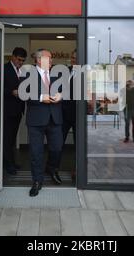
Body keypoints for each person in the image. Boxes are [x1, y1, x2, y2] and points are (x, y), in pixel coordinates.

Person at [25, 49, 63, 197]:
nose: (51, 61)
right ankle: (37, 181)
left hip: (55, 118)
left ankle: (52, 169)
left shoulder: (57, 74)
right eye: (49, 58)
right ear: (39, 60)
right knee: (36, 152)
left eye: (52, 58)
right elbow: (25, 93)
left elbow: (64, 90)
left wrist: (61, 95)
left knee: (57, 148)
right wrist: (42, 97)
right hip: (36, 120)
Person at [50, 49, 77, 182]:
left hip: (79, 115)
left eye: (76, 57)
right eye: (72, 57)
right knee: (57, 144)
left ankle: (78, 171)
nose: (73, 59)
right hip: (63, 114)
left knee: (79, 145)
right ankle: (53, 169)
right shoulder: (65, 71)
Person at [3, 47, 27, 175]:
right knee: (7, 139)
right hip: (7, 110)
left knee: (11, 139)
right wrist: (11, 92)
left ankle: (10, 162)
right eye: (19, 60)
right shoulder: (4, 69)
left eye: (23, 60)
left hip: (18, 110)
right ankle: (8, 165)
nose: (21, 62)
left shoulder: (22, 71)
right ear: (12, 57)